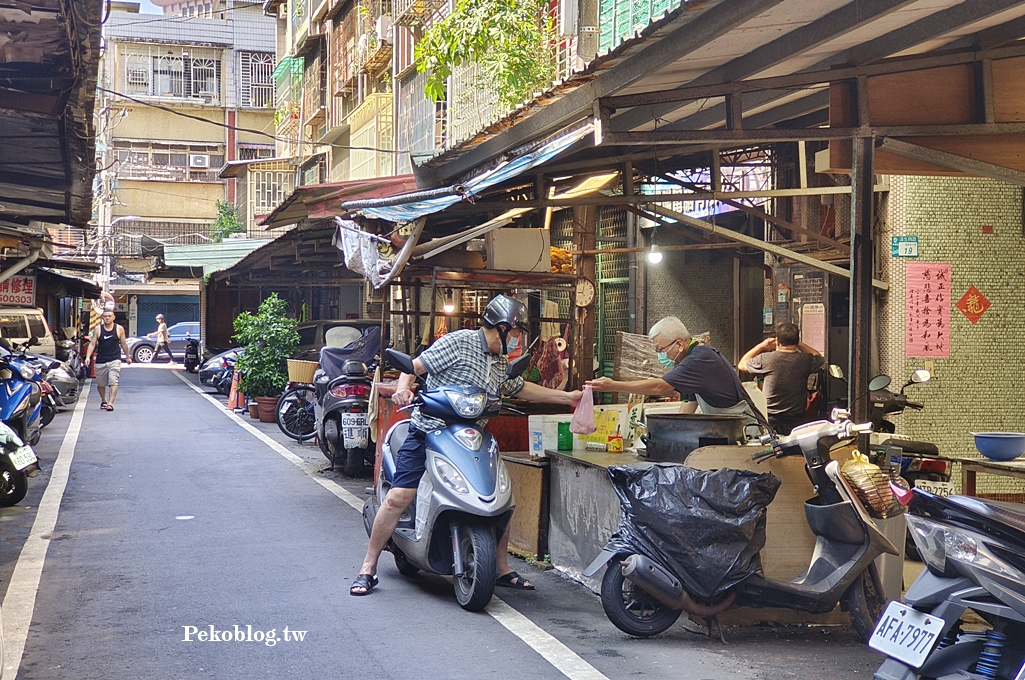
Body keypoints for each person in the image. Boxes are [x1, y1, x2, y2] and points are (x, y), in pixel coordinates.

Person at [351, 295, 581, 596]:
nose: (516, 341)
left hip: (472, 438)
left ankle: (500, 568)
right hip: (429, 431)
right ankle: (368, 567)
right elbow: (414, 367)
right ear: (500, 328)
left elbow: (520, 388)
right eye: (515, 333)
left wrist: (567, 398)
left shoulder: (500, 363)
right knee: (399, 497)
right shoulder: (458, 343)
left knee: (500, 497)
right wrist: (403, 390)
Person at [587, 316, 757, 420]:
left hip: (746, 430)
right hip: (729, 427)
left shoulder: (699, 358)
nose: (660, 355)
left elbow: (659, 386)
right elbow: (689, 406)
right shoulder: (694, 357)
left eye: (661, 350)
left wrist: (613, 386)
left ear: (679, 344)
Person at [738, 323, 823, 435]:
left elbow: (741, 365)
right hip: (796, 418)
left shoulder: (766, 359)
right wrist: (799, 344)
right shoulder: (805, 360)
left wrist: (762, 346)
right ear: (797, 340)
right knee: (793, 449)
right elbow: (819, 358)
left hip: (769, 417)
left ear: (777, 341)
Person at [85, 309, 132, 411]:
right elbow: (92, 344)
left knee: (113, 381)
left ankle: (110, 403)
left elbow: (123, 344)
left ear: (113, 317)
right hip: (101, 360)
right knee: (101, 384)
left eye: (109, 316)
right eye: (105, 316)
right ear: (102, 318)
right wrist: (88, 357)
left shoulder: (119, 329)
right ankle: (104, 400)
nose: (107, 318)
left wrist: (128, 356)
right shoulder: (98, 329)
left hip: (114, 359)